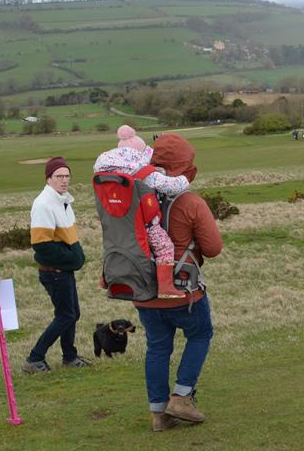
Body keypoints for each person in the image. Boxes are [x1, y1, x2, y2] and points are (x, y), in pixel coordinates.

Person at [133, 133, 224, 432]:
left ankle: (159, 414)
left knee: (158, 347)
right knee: (200, 335)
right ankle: (182, 396)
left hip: (143, 290)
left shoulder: (136, 198)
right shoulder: (191, 202)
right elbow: (213, 248)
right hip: (183, 292)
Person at [93, 125, 191, 298]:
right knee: (164, 247)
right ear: (141, 154)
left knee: (113, 245)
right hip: (142, 223)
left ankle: (105, 278)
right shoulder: (142, 170)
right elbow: (171, 186)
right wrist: (186, 178)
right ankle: (166, 288)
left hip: (116, 224)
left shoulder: (104, 172)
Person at [23, 157, 91, 373]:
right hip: (54, 272)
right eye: (59, 176)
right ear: (48, 178)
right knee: (66, 315)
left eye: (67, 176)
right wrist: (71, 258)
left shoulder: (62, 201)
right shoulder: (44, 204)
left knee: (72, 313)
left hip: (64, 271)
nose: (64, 180)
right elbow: (41, 246)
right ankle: (35, 358)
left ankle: (69, 357)